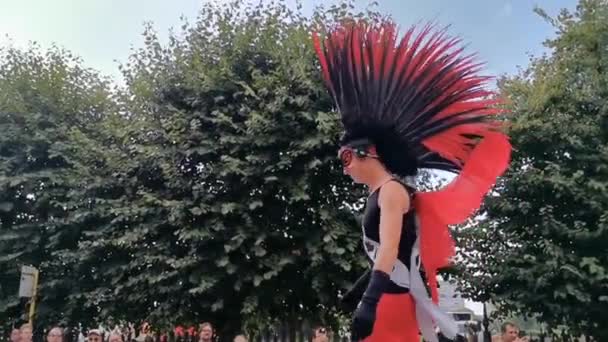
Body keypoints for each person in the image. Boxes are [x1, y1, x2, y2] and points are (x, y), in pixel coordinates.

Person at [313, 19, 511, 342]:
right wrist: (358, 290)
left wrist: (369, 301)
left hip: (391, 305)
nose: (344, 167)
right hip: (392, 300)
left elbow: (390, 250)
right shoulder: (383, 193)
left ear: (368, 152)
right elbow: (389, 256)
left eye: (345, 158)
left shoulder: (391, 191)